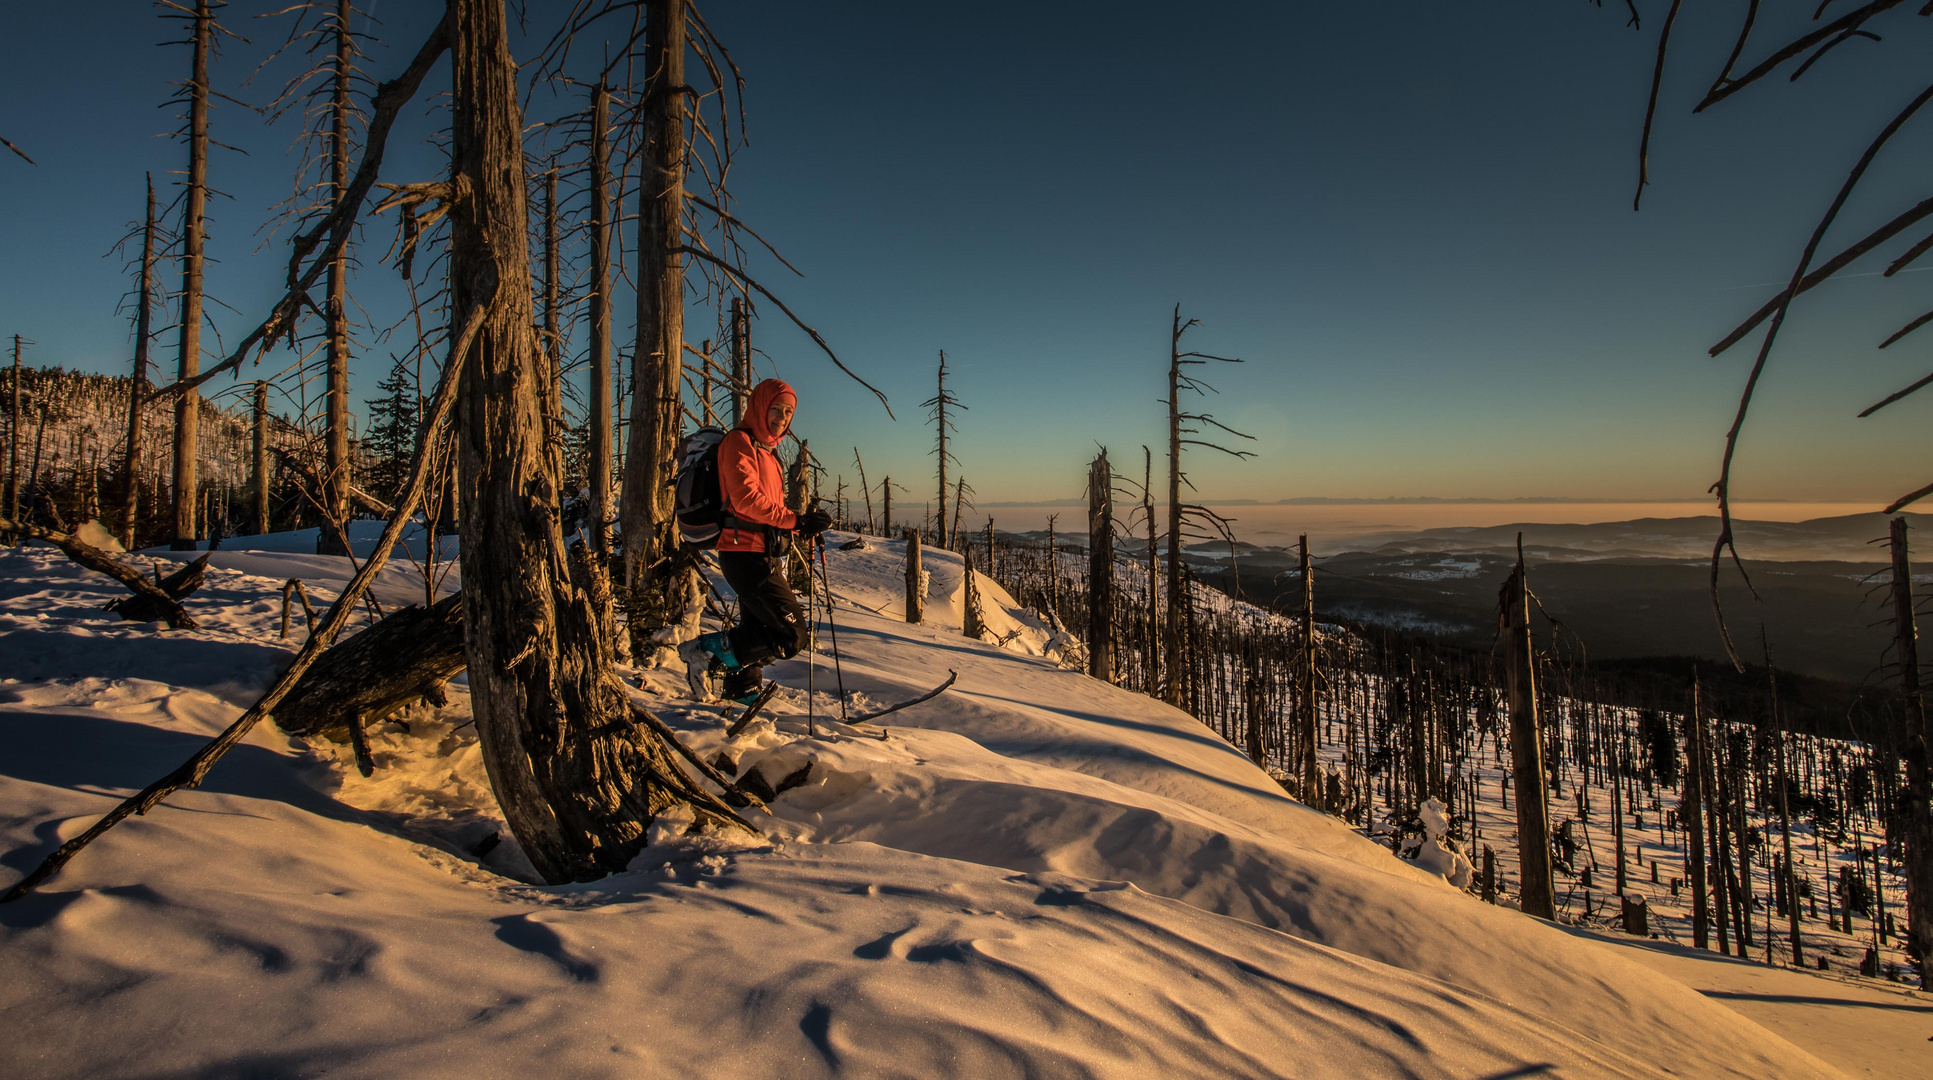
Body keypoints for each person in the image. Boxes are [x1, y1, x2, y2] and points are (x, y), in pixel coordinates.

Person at [681, 377, 831, 703]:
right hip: (743, 555)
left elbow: (768, 513)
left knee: (757, 630)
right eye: (775, 408)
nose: (781, 417)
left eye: (788, 411)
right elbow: (746, 500)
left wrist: (801, 525)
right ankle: (704, 652)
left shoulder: (769, 454)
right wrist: (795, 519)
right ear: (760, 407)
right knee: (792, 636)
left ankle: (741, 691)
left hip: (761, 553)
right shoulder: (739, 442)